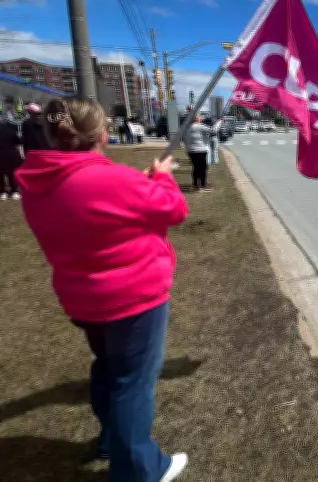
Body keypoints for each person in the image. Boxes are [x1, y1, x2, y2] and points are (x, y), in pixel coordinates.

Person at [15, 97, 189, 482]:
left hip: (81, 296)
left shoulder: (36, 181)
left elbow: (96, 208)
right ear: (101, 135)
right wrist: (162, 177)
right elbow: (174, 210)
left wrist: (139, 183)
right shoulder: (114, 179)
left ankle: (111, 440)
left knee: (108, 369)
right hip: (133, 298)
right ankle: (139, 470)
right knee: (133, 384)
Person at [183, 115, 213, 191]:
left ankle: (195, 184)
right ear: (197, 119)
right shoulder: (200, 126)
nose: (202, 119)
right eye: (200, 118)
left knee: (196, 167)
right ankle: (203, 185)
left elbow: (184, 139)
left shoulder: (188, 128)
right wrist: (219, 122)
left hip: (190, 150)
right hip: (200, 150)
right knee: (203, 168)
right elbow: (213, 130)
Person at [0, 110, 22, 200]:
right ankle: (14, 191)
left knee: (0, 175)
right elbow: (19, 141)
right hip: (11, 155)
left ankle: (2, 192)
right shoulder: (11, 130)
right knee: (11, 173)